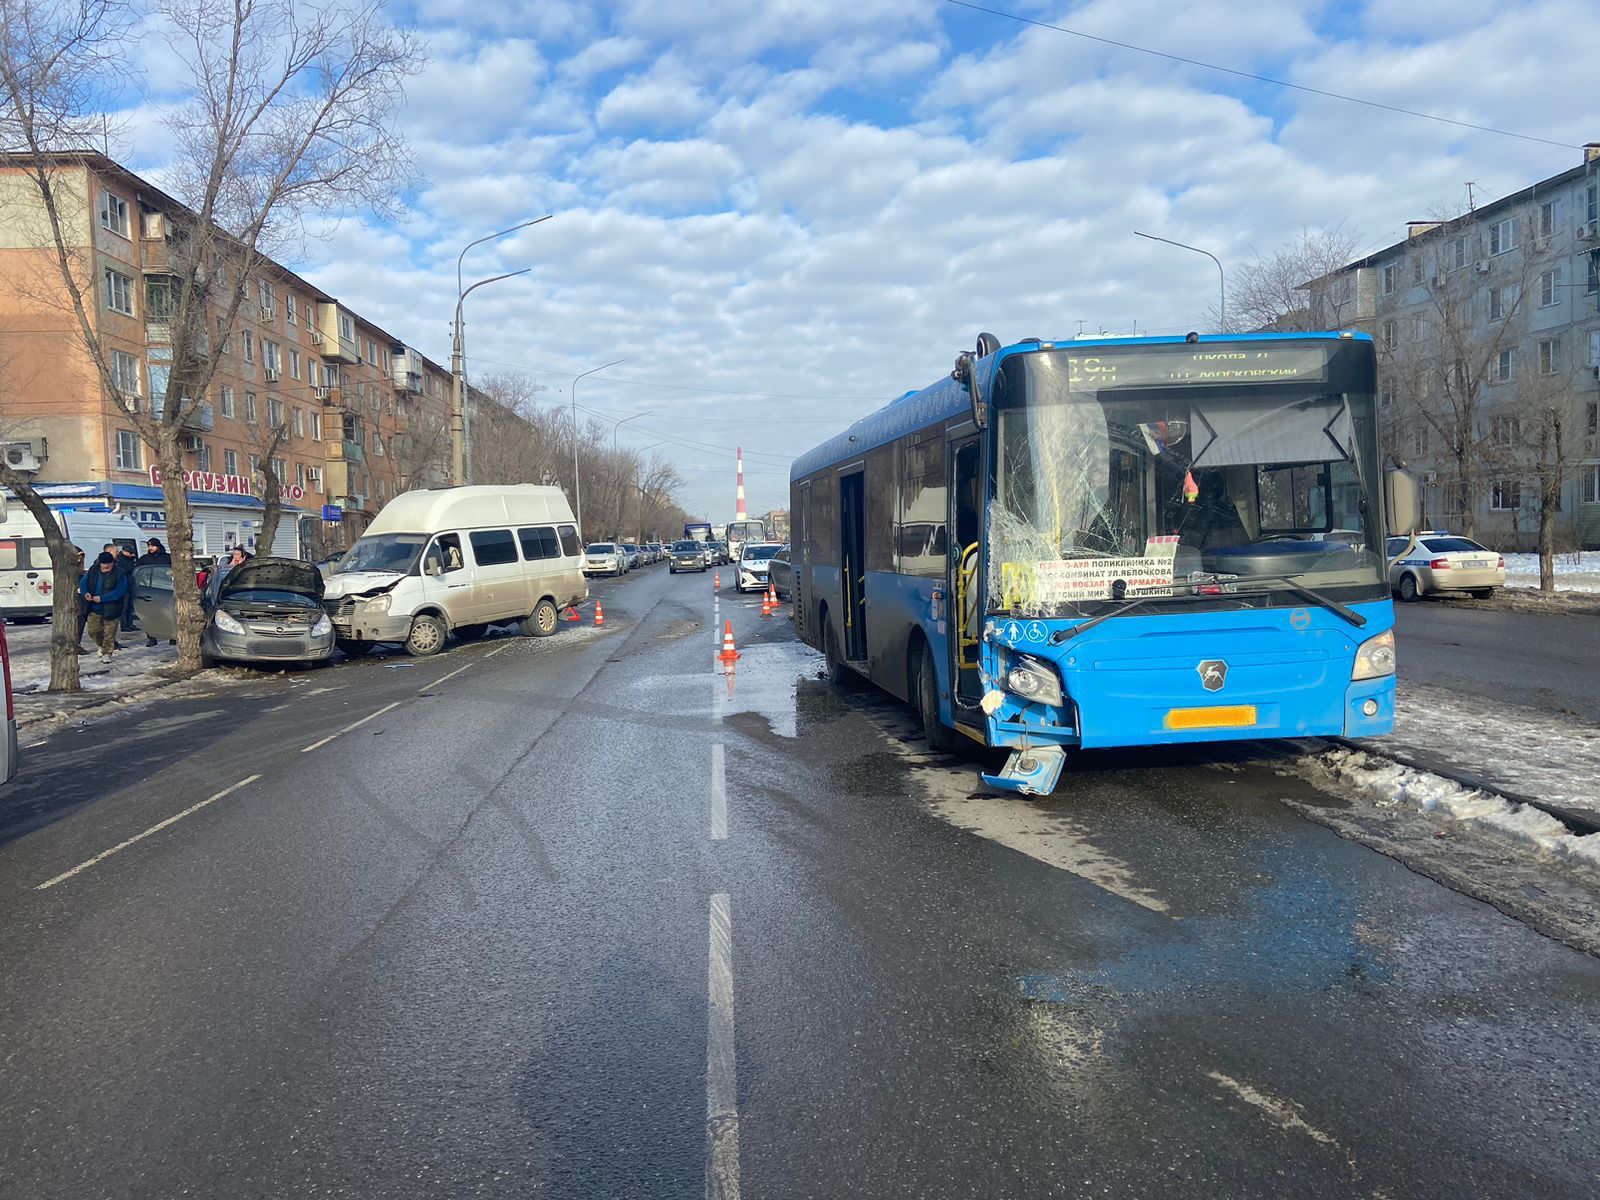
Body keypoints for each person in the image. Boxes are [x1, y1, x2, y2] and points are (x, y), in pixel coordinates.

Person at [79, 552, 128, 665]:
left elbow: (120, 591)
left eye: (109, 566)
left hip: (113, 608)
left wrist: (102, 598)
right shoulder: (93, 571)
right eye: (104, 565)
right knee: (93, 631)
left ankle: (107, 653)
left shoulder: (119, 573)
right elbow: (83, 583)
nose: (106, 568)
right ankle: (101, 645)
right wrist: (85, 593)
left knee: (109, 633)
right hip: (94, 607)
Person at [136, 538, 174, 646]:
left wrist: (170, 573)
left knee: (169, 614)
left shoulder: (166, 558)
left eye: (152, 546)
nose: (150, 548)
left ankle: (173, 637)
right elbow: (139, 571)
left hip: (166, 588)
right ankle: (151, 637)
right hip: (149, 589)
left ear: (158, 546)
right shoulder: (144, 559)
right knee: (149, 615)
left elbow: (174, 570)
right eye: (149, 546)